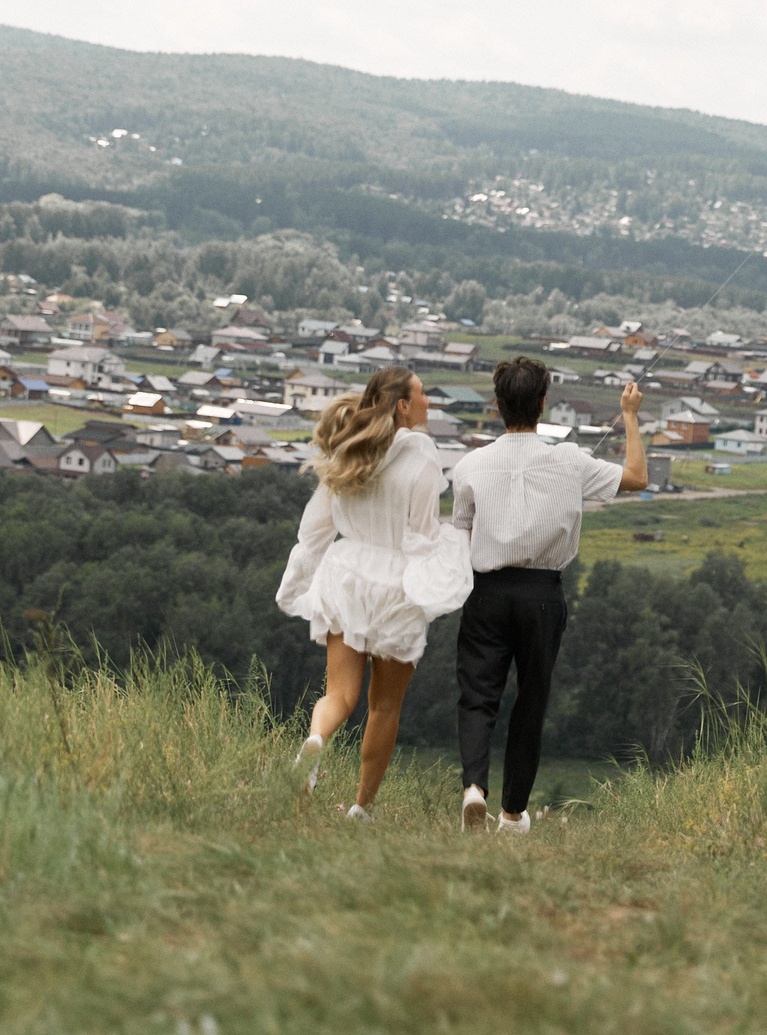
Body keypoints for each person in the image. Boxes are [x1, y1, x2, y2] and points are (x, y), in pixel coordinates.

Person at [449, 356, 646, 833]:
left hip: (487, 591)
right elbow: (637, 477)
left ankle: (474, 786)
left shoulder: (470, 465)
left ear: (496, 404)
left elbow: (462, 534)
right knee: (531, 701)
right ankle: (512, 813)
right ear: (543, 403)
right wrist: (630, 415)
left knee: (477, 695)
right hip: (543, 595)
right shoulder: (570, 460)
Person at [275, 366, 468, 821]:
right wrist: (456, 545)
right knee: (384, 706)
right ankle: (361, 807)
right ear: (403, 406)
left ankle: (315, 741)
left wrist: (299, 578)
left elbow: (316, 529)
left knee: (339, 694)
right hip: (396, 586)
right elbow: (421, 540)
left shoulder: (349, 450)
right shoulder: (422, 461)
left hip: (346, 574)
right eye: (422, 395)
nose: (428, 402)